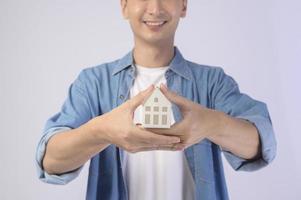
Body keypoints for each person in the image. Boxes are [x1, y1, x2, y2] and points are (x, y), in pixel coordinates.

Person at [35, 0, 277, 199]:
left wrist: (212, 123)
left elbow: (260, 143)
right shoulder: (93, 83)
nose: (155, 8)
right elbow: (50, 161)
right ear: (124, 6)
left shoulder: (212, 82)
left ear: (183, 6)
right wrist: (102, 131)